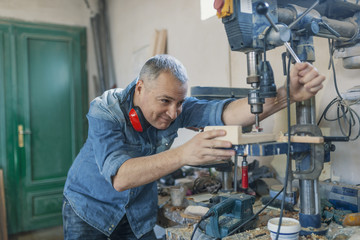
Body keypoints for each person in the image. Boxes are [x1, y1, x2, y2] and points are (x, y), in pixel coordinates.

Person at [62, 54, 325, 239]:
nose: (174, 113)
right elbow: (120, 178)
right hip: (89, 209)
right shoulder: (105, 109)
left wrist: (285, 95)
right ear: (140, 87)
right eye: (165, 101)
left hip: (137, 215)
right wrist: (184, 154)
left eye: (179, 103)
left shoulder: (176, 106)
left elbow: (226, 114)